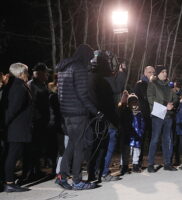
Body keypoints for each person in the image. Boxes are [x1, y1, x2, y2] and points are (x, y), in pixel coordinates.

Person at [55, 44, 98, 190]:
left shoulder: (64, 68)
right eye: (89, 58)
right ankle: (77, 181)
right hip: (78, 113)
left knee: (72, 144)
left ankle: (62, 175)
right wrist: (95, 111)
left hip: (67, 113)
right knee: (79, 147)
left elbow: (60, 93)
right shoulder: (79, 68)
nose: (90, 62)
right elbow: (82, 94)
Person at [87, 52, 126, 182]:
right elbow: (117, 87)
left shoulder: (92, 75)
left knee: (99, 147)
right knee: (107, 146)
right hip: (106, 118)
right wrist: (121, 72)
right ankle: (103, 172)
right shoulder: (102, 77)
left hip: (97, 117)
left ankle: (96, 172)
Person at [2, 63, 32, 192]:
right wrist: (3, 125)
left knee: (12, 154)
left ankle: (9, 180)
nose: (28, 75)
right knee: (12, 155)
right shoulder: (19, 87)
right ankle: (9, 182)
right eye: (26, 72)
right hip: (16, 128)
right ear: (20, 74)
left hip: (14, 127)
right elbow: (13, 109)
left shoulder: (13, 85)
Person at [147, 65, 179, 172]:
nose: (165, 73)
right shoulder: (152, 84)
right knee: (155, 139)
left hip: (169, 115)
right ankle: (150, 164)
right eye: (163, 72)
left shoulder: (169, 86)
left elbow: (175, 98)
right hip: (158, 114)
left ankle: (167, 163)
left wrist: (173, 104)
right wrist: (166, 104)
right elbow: (151, 98)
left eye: (166, 71)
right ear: (158, 73)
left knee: (167, 139)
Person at [23, 63, 50, 180]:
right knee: (31, 149)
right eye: (46, 73)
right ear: (39, 74)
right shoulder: (31, 85)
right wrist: (35, 119)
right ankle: (28, 173)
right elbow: (31, 105)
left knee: (38, 148)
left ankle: (36, 171)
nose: (47, 75)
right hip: (34, 122)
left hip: (42, 121)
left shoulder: (42, 84)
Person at [134, 66, 155, 168]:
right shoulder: (140, 84)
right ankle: (137, 161)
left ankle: (150, 162)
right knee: (140, 139)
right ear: (145, 73)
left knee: (152, 138)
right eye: (149, 72)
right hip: (142, 116)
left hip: (152, 116)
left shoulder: (154, 84)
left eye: (153, 72)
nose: (152, 74)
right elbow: (145, 97)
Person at [119, 92, 145, 173]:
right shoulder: (127, 112)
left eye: (135, 102)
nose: (134, 104)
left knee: (137, 150)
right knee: (127, 151)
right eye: (132, 102)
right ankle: (124, 165)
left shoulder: (140, 114)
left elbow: (143, 124)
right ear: (129, 104)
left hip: (138, 135)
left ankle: (135, 165)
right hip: (129, 135)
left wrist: (141, 132)